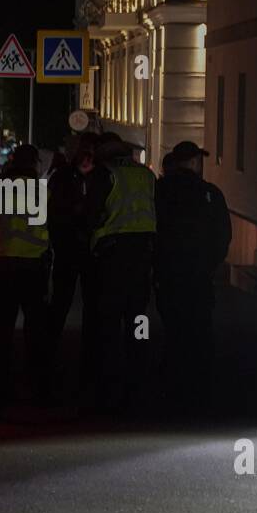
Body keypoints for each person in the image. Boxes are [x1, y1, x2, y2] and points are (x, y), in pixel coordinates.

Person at [154, 141, 233, 408]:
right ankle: (200, 387)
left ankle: (171, 384)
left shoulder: (159, 191)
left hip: (168, 272)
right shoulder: (209, 192)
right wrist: (210, 264)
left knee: (174, 328)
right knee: (200, 328)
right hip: (199, 274)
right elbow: (223, 235)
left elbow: (152, 228)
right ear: (193, 162)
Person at [85, 132, 157, 416]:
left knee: (109, 326)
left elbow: (92, 214)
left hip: (112, 257)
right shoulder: (146, 176)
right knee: (137, 321)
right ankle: (137, 385)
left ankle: (108, 391)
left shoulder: (105, 174)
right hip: (142, 258)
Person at [0, 143, 51, 417]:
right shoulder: (43, 191)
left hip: (3, 266)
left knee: (0, 332)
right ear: (34, 164)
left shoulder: (2, 190)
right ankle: (38, 392)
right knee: (36, 332)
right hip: (34, 267)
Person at [46, 132, 100, 393]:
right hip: (70, 248)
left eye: (91, 150)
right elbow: (54, 213)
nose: (87, 155)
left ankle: (89, 360)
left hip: (89, 251)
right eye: (83, 149)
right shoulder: (64, 177)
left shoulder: (99, 176)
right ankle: (49, 355)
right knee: (61, 303)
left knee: (92, 306)